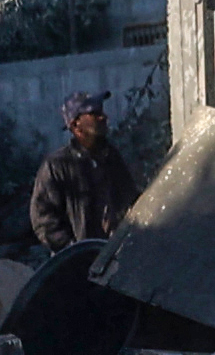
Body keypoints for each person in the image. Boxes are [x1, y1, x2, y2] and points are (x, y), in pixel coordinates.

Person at [28, 88, 136, 249]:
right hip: (79, 266)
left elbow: (131, 199)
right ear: (75, 124)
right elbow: (44, 220)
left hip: (116, 257)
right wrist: (73, 250)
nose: (103, 117)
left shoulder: (111, 158)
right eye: (94, 113)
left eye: (102, 112)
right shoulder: (57, 166)